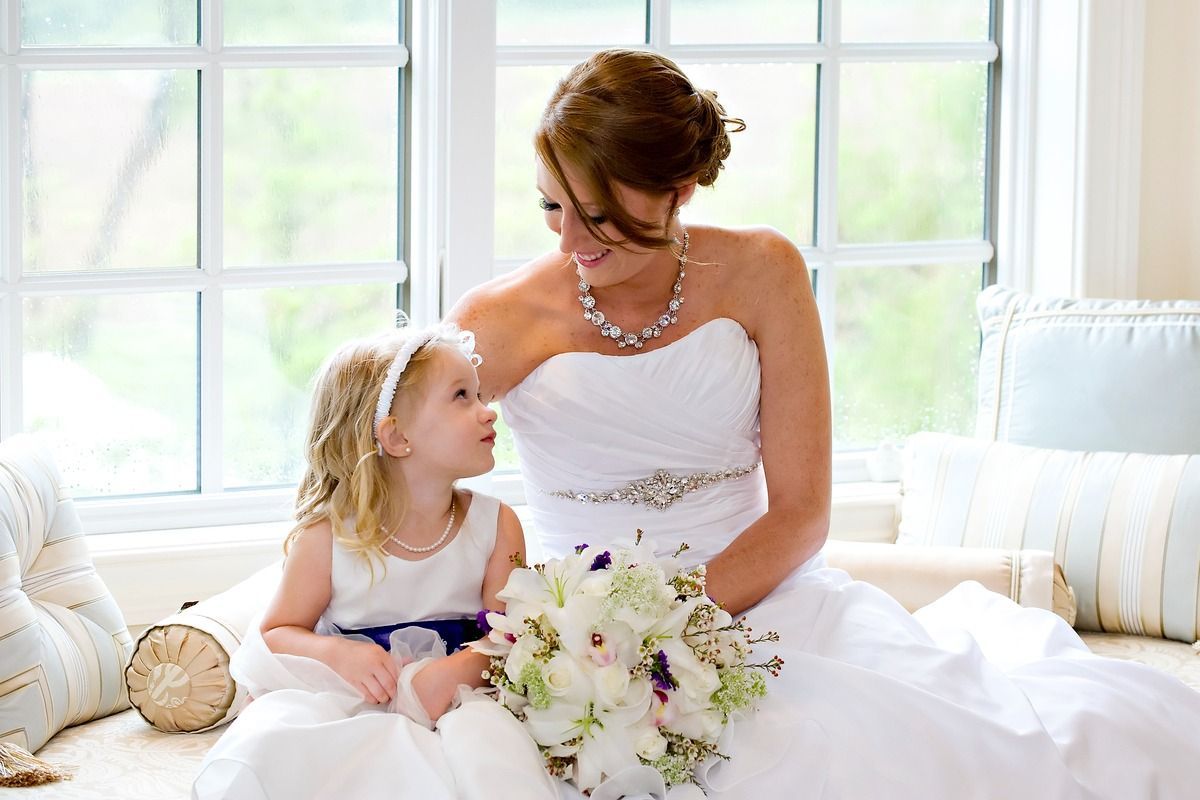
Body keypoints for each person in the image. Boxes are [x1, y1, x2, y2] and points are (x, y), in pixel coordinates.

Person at [449, 48, 1200, 798]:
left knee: (924, 754)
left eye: (600, 217)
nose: (570, 244)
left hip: (772, 604)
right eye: (551, 206)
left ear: (676, 191)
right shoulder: (497, 319)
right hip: (576, 637)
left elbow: (803, 513)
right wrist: (571, 638)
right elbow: (403, 475)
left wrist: (668, 629)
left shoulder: (763, 272)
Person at [192, 325, 558, 800]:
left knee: (487, 758)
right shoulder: (328, 535)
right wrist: (339, 653)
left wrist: (458, 669)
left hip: (460, 697)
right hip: (356, 696)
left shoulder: (495, 524)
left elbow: (509, 635)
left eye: (480, 394)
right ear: (397, 436)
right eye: (462, 397)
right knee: (277, 747)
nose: (488, 411)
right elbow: (279, 630)